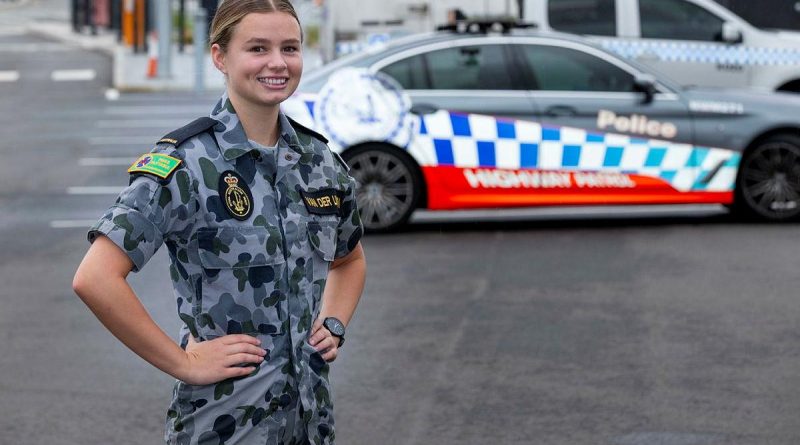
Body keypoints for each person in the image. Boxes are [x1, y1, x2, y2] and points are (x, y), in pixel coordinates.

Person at [72, 1, 366, 443]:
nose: (277, 62)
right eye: (257, 48)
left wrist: (334, 324)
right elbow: (95, 278)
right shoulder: (185, 165)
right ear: (220, 57)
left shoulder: (319, 162)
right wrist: (183, 362)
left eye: (290, 48)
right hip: (224, 425)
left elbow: (350, 259)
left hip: (310, 423)